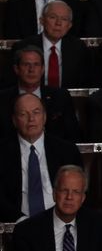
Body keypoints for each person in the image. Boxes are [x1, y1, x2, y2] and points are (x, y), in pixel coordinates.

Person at [0, 93, 81, 222]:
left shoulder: (67, 150)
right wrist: (20, 221)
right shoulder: (3, 152)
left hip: (60, 222)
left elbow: (78, 192)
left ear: (44, 117)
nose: (31, 119)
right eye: (23, 114)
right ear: (14, 121)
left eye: (36, 112)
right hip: (17, 224)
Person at [0, 45, 79, 142]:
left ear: (42, 69)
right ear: (17, 69)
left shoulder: (61, 97)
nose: (31, 70)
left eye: (36, 64)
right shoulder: (3, 99)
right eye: (26, 64)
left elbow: (73, 135)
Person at [10, 0, 91, 89]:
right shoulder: (23, 47)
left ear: (69, 25)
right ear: (42, 21)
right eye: (53, 17)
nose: (58, 23)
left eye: (64, 19)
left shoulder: (79, 48)